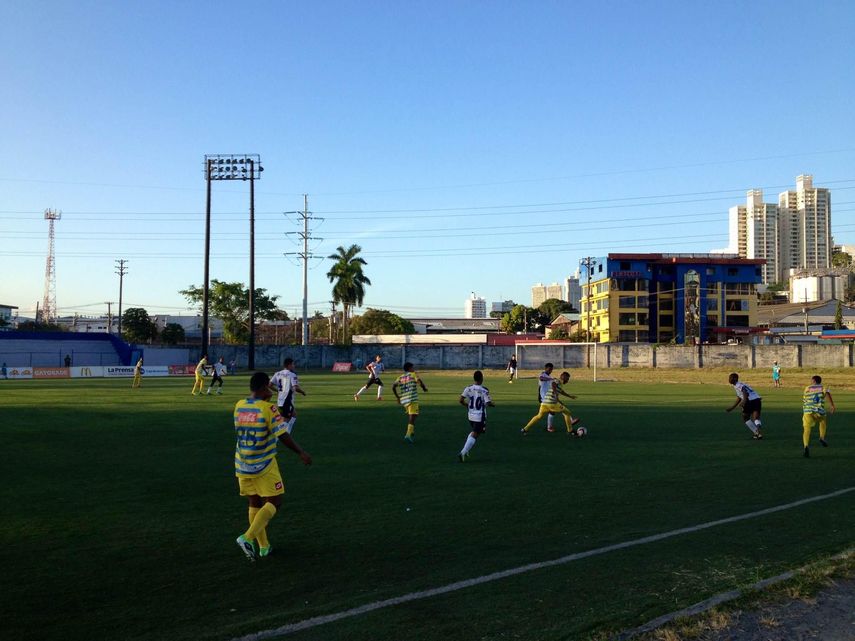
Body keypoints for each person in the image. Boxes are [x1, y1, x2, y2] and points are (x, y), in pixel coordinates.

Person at [234, 372, 312, 561]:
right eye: (268, 386)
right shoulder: (268, 408)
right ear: (263, 388)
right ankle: (247, 537)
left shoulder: (239, 406)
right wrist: (301, 452)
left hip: (242, 463)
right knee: (275, 501)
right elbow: (283, 435)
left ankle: (264, 547)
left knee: (254, 502)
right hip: (263, 464)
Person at [521, 371, 581, 436]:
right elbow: (553, 384)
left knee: (539, 416)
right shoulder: (558, 381)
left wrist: (570, 396)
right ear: (564, 377)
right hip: (551, 403)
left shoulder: (560, 384)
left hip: (544, 403)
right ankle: (570, 430)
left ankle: (525, 429)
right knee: (567, 412)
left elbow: (561, 391)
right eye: (568, 378)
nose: (568, 380)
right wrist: (555, 393)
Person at [458, 370, 495, 462]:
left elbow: (461, 400)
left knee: (475, 433)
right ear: (482, 378)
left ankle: (466, 450)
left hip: (470, 416)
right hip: (479, 416)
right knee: (475, 433)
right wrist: (493, 404)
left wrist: (468, 406)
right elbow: (488, 403)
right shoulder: (484, 390)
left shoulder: (468, 388)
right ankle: (463, 452)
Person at [392, 362, 428, 443]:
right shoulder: (413, 374)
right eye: (412, 367)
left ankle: (411, 431)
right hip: (412, 398)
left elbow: (393, 387)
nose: (413, 369)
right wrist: (424, 388)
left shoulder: (400, 377)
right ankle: (408, 435)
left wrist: (398, 397)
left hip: (404, 400)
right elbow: (419, 381)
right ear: (409, 368)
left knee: (413, 415)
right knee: (412, 417)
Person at [802, 375, 835, 458]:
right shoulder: (823, 387)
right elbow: (827, 393)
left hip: (808, 410)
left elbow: (805, 399)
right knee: (823, 421)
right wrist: (832, 405)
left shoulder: (807, 388)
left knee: (806, 429)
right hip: (819, 410)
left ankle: (806, 446)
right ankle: (822, 437)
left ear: (813, 380)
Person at [269, 358, 305, 434]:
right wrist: (302, 392)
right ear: (289, 365)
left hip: (280, 400)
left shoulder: (277, 373)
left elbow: (270, 385)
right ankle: (281, 434)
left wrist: (277, 390)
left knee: (293, 414)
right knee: (286, 419)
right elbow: (295, 387)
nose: (294, 366)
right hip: (287, 400)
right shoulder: (292, 375)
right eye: (293, 364)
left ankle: (286, 432)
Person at [725, 373, 763, 439]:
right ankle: (758, 432)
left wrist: (744, 401)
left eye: (732, 378)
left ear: (736, 379)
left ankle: (756, 432)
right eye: (729, 378)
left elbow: (745, 392)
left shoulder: (738, 385)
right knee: (756, 418)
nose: (730, 379)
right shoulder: (741, 384)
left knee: (745, 417)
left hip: (749, 400)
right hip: (757, 399)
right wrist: (732, 407)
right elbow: (739, 397)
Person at [537, 363, 557, 432]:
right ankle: (549, 427)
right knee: (553, 411)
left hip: (548, 397)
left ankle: (526, 428)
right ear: (545, 369)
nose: (550, 371)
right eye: (549, 369)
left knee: (541, 415)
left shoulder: (549, 377)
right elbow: (541, 378)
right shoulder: (543, 374)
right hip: (544, 397)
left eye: (551, 369)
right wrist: (539, 396)